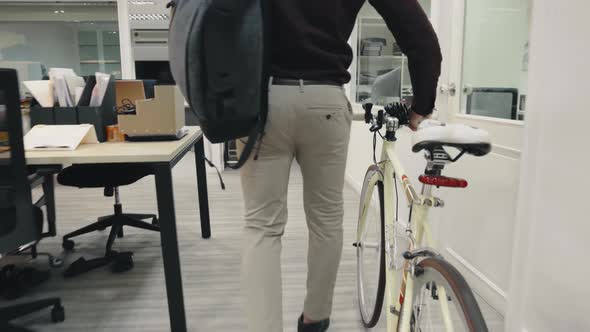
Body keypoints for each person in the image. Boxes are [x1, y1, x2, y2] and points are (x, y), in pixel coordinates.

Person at [239, 1, 442, 331]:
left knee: (261, 226)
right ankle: (314, 320)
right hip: (326, 101)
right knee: (326, 221)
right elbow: (419, 34)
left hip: (262, 101)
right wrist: (422, 103)